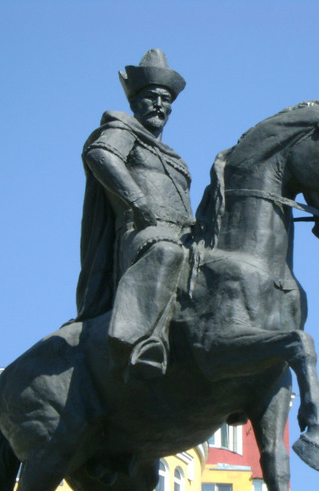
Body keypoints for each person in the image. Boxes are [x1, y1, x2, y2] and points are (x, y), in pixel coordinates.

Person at [75, 49, 194, 380]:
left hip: (183, 234)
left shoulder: (174, 158)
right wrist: (137, 201)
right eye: (151, 97)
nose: (159, 105)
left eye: (166, 100)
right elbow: (100, 155)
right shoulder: (123, 130)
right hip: (142, 234)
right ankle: (141, 344)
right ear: (135, 102)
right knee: (165, 253)